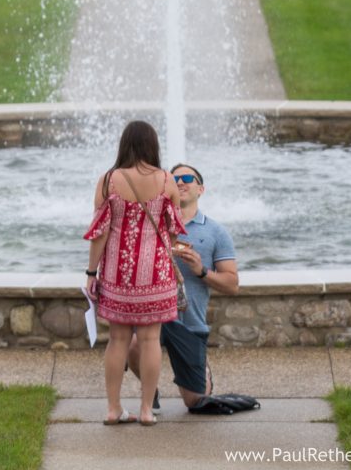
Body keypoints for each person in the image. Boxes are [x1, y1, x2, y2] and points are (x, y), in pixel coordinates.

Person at [83, 121, 185, 426]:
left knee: (117, 340)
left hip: (117, 274)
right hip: (155, 274)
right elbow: (174, 231)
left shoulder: (107, 181)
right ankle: (144, 411)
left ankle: (113, 409)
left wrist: (91, 272)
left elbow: (99, 233)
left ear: (124, 144)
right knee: (151, 340)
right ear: (152, 145)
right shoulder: (167, 181)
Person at [128, 162, 239, 410]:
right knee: (134, 345)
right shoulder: (153, 226)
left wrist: (201, 271)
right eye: (173, 179)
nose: (180, 182)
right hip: (156, 314)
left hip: (191, 323)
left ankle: (201, 369)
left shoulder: (216, 232)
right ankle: (150, 389)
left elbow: (232, 284)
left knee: (196, 403)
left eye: (187, 178)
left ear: (201, 189)